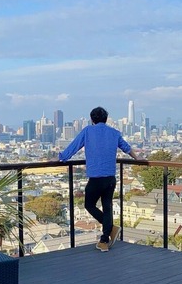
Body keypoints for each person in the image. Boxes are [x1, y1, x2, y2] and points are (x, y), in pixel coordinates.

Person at [58, 107, 138, 252]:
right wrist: (139, 159)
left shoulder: (88, 131)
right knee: (107, 206)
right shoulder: (114, 133)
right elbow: (127, 148)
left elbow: (73, 147)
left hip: (95, 178)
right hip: (110, 178)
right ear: (106, 119)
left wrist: (60, 158)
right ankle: (105, 237)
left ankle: (108, 233)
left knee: (89, 205)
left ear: (92, 119)